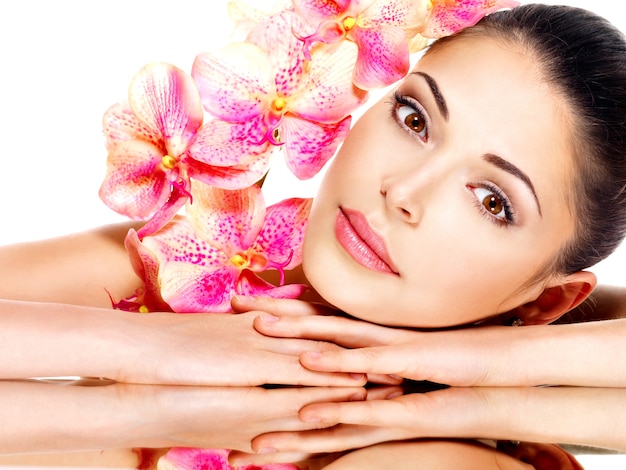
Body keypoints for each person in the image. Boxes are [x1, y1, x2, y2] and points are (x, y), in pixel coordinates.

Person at [1, 0, 626, 467]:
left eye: (492, 201)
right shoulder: (193, 258)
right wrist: (158, 345)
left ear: (547, 301)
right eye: (414, 118)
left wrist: (483, 367)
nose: (403, 193)